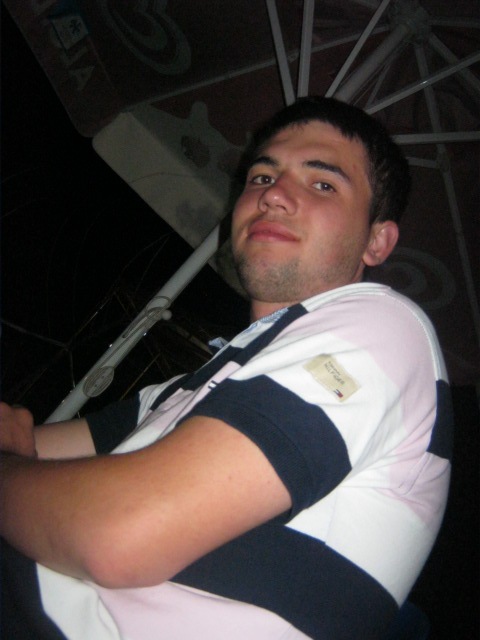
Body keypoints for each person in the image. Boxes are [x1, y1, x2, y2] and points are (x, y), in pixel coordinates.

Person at [1, 96, 453, 640]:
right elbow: (32, 445)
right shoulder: (181, 391)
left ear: (377, 241)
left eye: (322, 184)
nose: (273, 195)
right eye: (262, 176)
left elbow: (117, 536)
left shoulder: (385, 327)